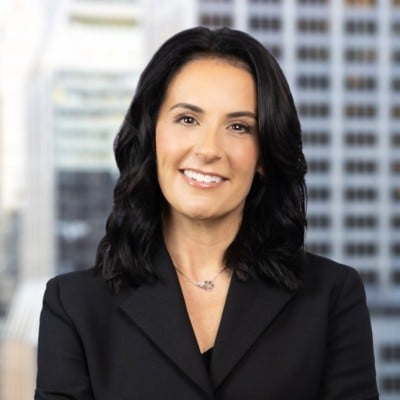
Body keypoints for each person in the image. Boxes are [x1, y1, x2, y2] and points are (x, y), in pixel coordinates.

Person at [35, 27, 379, 400]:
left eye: (238, 127)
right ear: (152, 133)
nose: (209, 149)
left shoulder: (331, 296)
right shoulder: (73, 305)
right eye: (187, 119)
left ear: (264, 155)